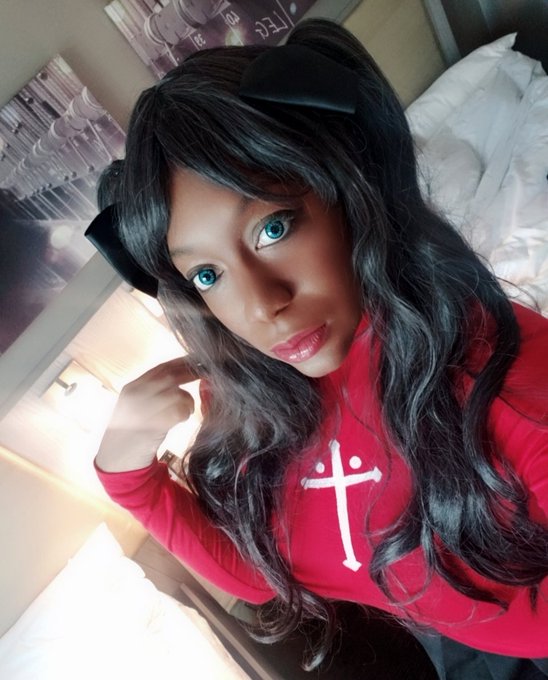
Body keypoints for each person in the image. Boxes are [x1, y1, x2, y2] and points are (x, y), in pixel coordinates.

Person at [90, 19, 548, 680]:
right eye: (208, 275)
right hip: (447, 629)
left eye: (273, 228)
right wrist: (126, 474)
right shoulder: (250, 394)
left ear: (348, 191)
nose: (261, 306)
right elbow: (260, 573)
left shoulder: (510, 389)